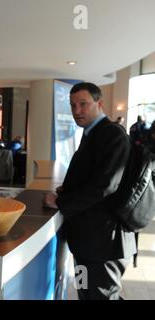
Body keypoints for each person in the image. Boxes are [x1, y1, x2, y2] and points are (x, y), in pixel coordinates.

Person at [43, 82, 136, 300]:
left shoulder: (112, 135)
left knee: (101, 295)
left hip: (103, 244)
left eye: (83, 104)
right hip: (88, 243)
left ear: (99, 103)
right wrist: (68, 189)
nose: (77, 111)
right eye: (73, 105)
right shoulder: (92, 134)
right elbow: (92, 176)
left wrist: (60, 202)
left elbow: (105, 185)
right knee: (87, 292)